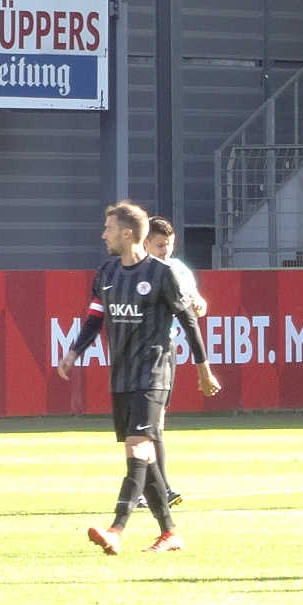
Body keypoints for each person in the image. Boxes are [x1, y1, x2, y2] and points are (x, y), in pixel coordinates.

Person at [57, 201, 221, 555]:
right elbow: (95, 319)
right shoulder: (107, 273)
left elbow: (189, 322)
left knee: (138, 446)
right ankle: (170, 532)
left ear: (127, 233)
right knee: (143, 457)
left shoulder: (163, 274)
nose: (103, 234)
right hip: (122, 375)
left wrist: (203, 369)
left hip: (155, 372)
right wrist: (74, 351)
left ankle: (116, 529)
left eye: (109, 228)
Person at [133, 215, 206, 510]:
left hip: (166, 350)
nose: (167, 251)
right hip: (139, 352)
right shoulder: (134, 272)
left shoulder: (177, 269)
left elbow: (198, 305)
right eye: (161, 245)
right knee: (146, 426)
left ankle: (156, 489)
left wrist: (199, 304)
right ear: (146, 243)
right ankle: (154, 490)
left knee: (156, 423)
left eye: (170, 245)